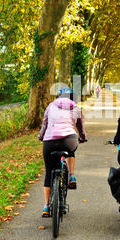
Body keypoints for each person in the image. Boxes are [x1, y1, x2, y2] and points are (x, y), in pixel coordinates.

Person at [38, 87, 87, 217]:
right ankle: (71, 175)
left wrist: (41, 136)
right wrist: (82, 138)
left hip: (50, 142)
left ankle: (46, 207)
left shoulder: (50, 106)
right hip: (69, 140)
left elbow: (44, 124)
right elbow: (80, 127)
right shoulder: (75, 107)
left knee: (49, 172)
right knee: (70, 151)